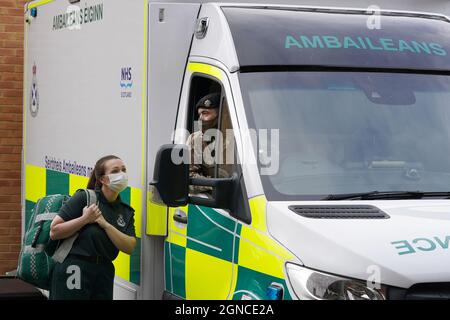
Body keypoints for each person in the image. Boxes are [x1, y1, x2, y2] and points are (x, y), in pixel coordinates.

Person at [49, 155, 136, 300]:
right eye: (115, 171)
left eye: (123, 170)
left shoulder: (125, 211)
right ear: (102, 179)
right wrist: (84, 219)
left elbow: (129, 247)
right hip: (75, 267)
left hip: (104, 271)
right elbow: (54, 231)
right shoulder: (85, 198)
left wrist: (106, 225)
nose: (121, 174)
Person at [186, 92, 222, 194]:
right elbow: (188, 177)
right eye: (199, 114)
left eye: (205, 113)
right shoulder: (195, 139)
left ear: (220, 115)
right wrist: (213, 185)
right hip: (216, 201)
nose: (200, 118)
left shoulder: (238, 138)